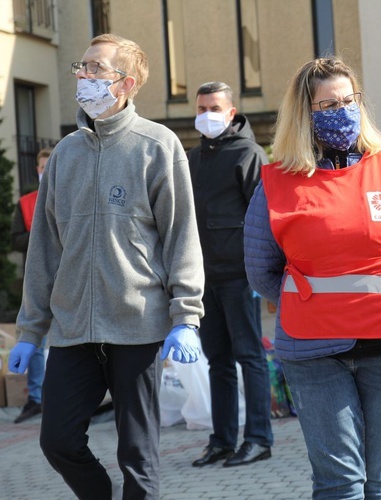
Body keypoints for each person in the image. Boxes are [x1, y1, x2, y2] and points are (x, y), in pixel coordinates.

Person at [8, 34, 205, 499]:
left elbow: (182, 237)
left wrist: (186, 317)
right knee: (57, 441)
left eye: (96, 69)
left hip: (138, 326)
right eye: (83, 67)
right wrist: (31, 330)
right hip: (74, 329)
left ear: (126, 83)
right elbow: (44, 251)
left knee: (138, 457)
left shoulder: (158, 145)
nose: (84, 75)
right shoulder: (64, 155)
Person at [244, 56, 381, 498]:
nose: (342, 111)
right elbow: (261, 270)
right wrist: (313, 301)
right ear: (304, 114)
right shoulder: (277, 181)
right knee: (339, 483)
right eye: (328, 105)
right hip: (313, 348)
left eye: (349, 100)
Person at [187, 81, 273, 468]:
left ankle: (258, 438)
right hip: (203, 279)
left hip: (240, 276)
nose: (207, 115)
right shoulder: (191, 159)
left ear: (232, 112)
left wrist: (264, 274)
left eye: (215, 107)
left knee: (250, 356)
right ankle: (221, 439)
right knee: (216, 360)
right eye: (202, 107)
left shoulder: (249, 153)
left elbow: (265, 218)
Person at [10, 147, 51, 424]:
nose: (46, 172)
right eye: (42, 167)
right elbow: (15, 240)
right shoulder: (26, 203)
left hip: (71, 279)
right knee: (35, 339)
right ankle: (35, 398)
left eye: (51, 166)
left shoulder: (72, 193)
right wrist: (40, 234)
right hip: (37, 279)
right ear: (37, 170)